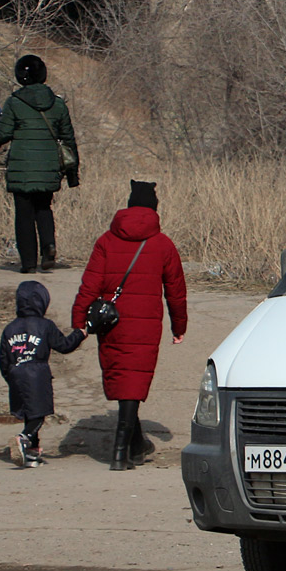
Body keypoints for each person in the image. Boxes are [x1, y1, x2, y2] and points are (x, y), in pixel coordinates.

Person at [72, 180, 187, 471]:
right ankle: (121, 453)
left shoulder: (106, 241)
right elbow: (175, 290)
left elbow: (90, 284)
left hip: (112, 321)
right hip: (146, 325)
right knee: (133, 380)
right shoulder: (163, 244)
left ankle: (132, 448)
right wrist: (179, 326)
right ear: (155, 208)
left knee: (124, 378)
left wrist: (79, 322)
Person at [0, 54, 79, 273]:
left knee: (23, 214)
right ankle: (48, 246)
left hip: (21, 168)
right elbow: (69, 139)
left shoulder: (14, 102)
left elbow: (2, 134)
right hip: (48, 167)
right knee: (43, 207)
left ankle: (28, 263)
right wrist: (72, 174)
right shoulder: (58, 104)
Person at [2, 280, 86, 467]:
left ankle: (31, 451)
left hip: (16, 372)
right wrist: (80, 334)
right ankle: (23, 438)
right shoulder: (45, 325)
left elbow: (3, 359)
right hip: (37, 372)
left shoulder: (10, 328)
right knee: (39, 413)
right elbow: (64, 346)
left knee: (29, 412)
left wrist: (10, 377)